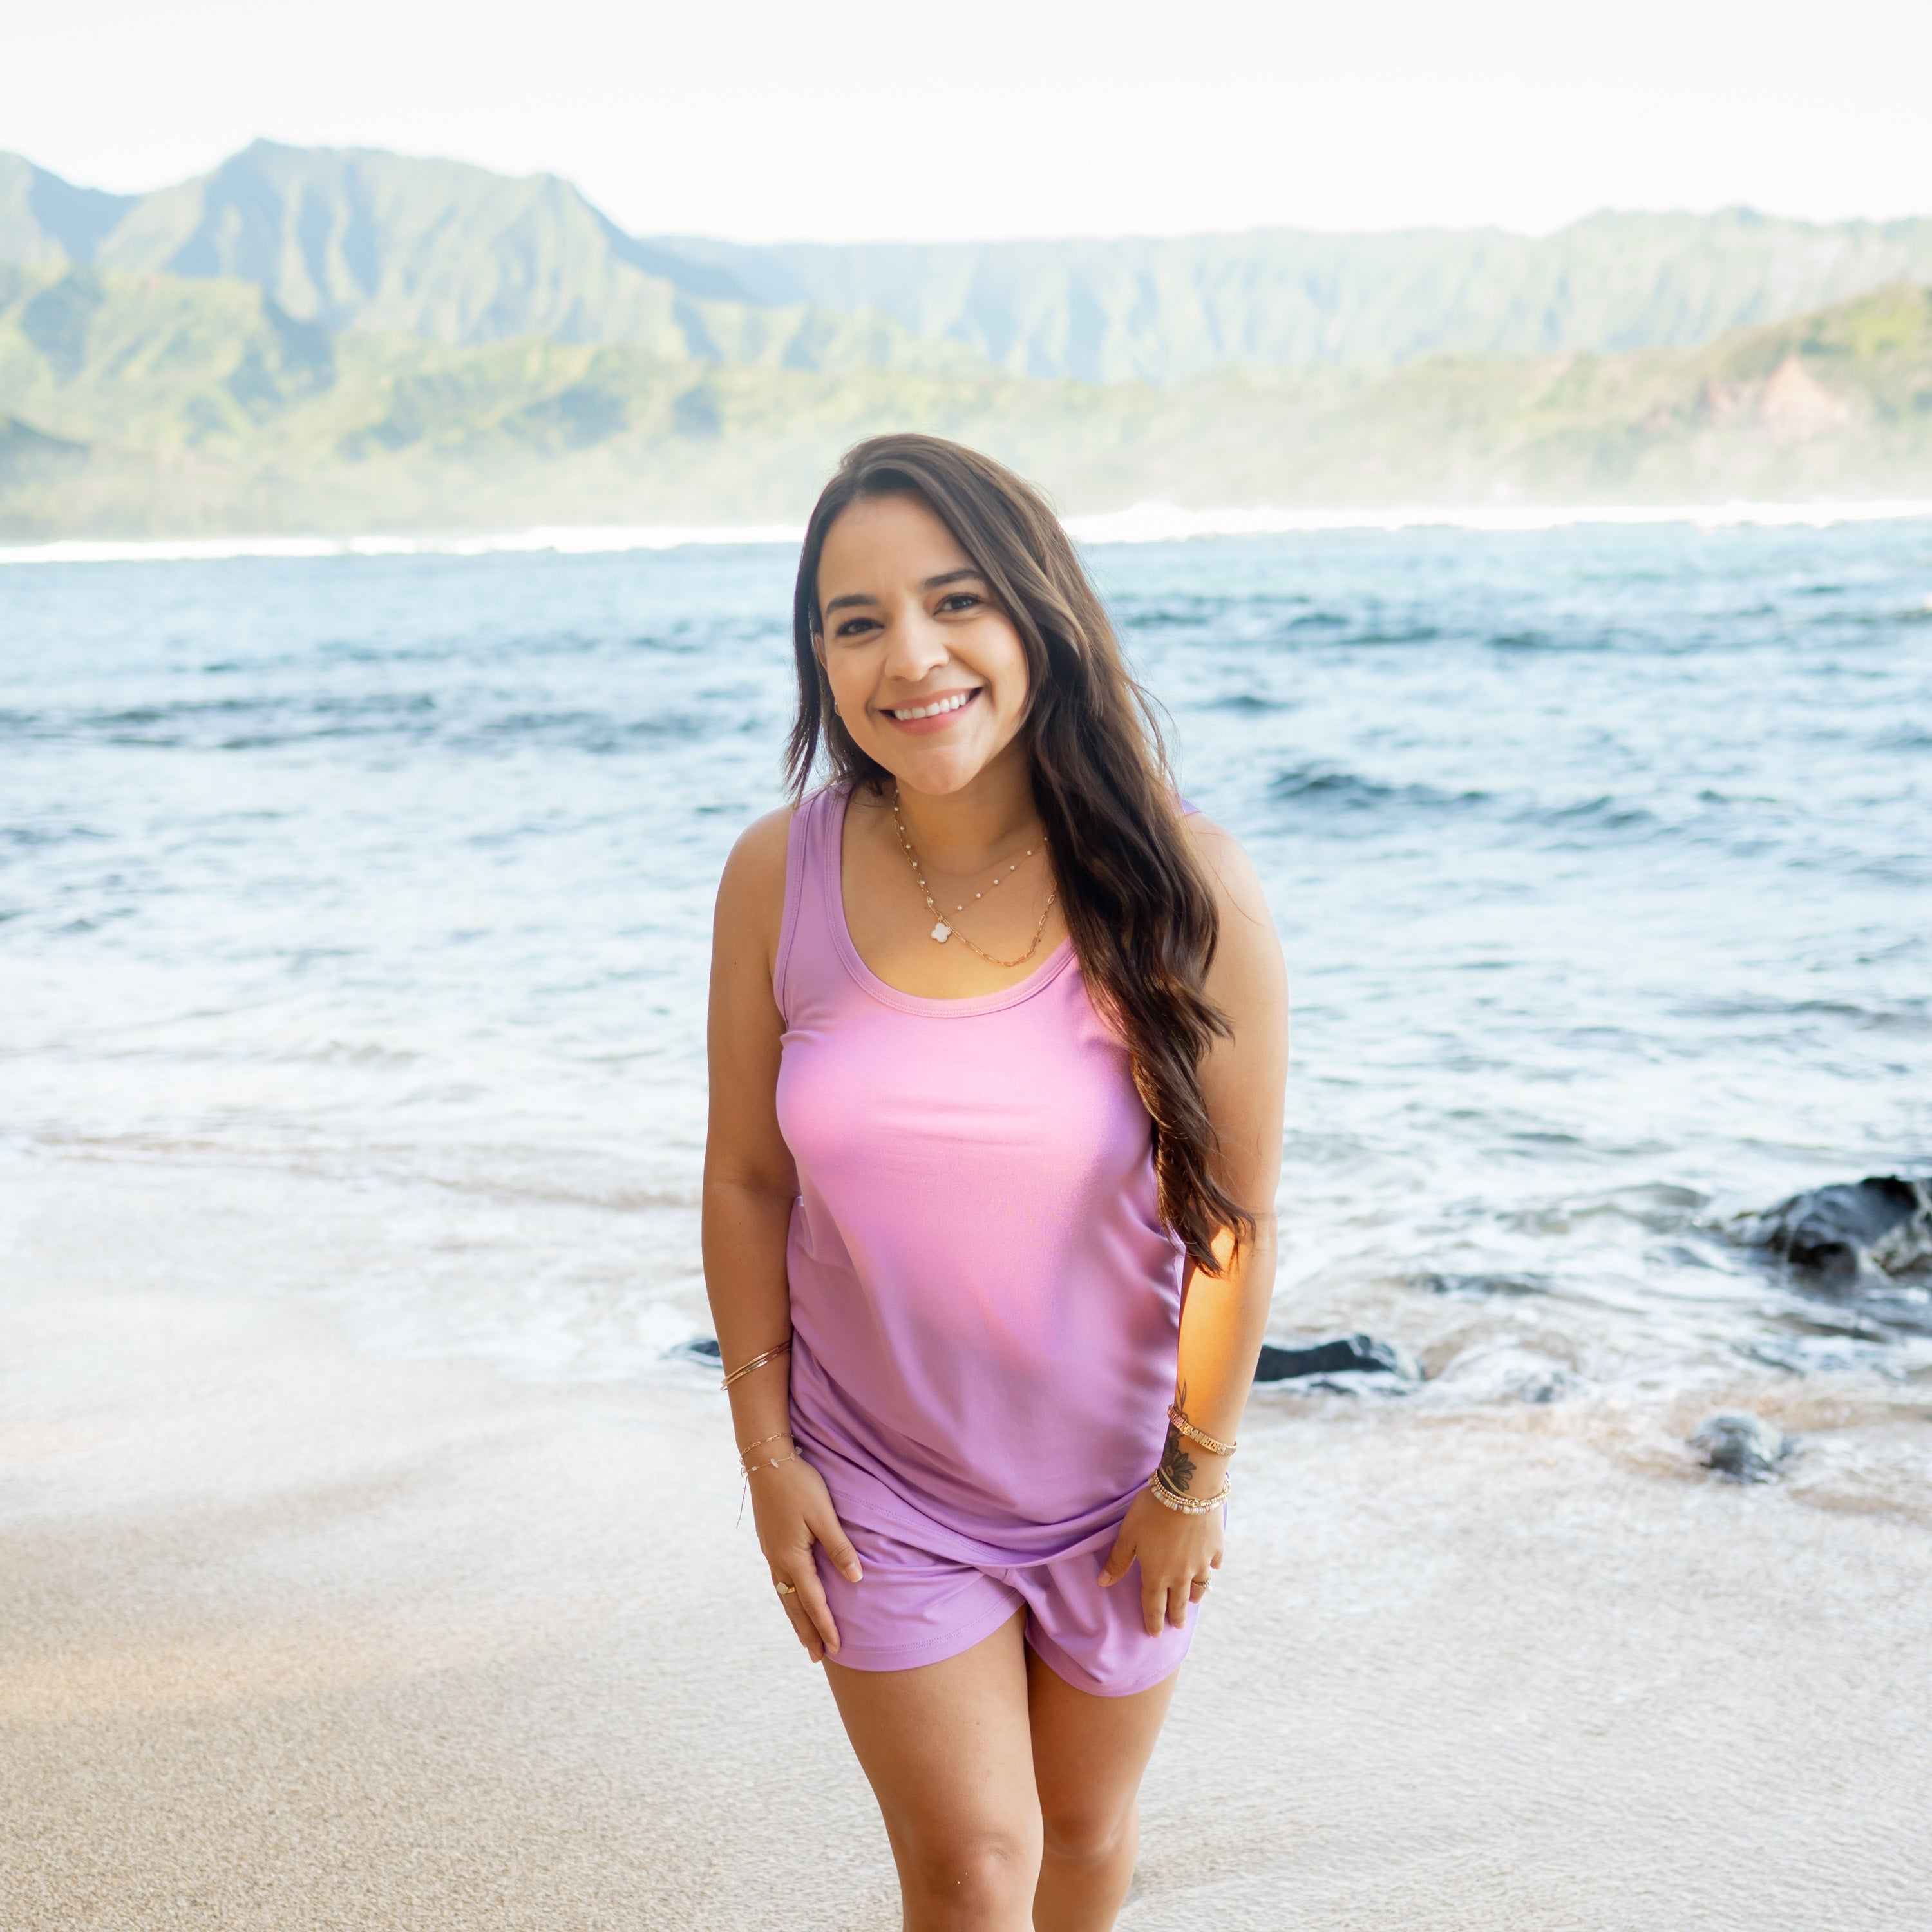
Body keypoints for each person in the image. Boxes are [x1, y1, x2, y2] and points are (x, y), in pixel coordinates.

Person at [703, 433, 1287, 1931]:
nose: (911, 656)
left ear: (1037, 615)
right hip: (879, 1485)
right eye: (855, 622)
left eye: (955, 601)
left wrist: (1190, 1479)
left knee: (1087, 1840)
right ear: (818, 661)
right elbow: (750, 1179)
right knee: (972, 1869)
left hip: (1115, 1486)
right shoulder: (781, 873)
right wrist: (769, 1458)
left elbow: (1230, 1221)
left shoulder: (1184, 886)